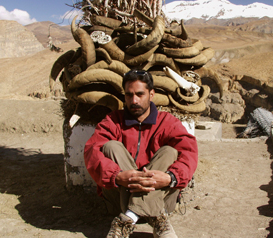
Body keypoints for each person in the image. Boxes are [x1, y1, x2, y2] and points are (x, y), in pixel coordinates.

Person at [84, 69, 198, 238]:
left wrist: (170, 177)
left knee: (170, 151)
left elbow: (189, 151)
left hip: (162, 201)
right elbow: (92, 151)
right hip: (119, 201)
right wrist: (117, 176)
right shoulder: (113, 121)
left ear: (151, 94)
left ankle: (128, 219)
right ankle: (156, 220)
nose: (134, 100)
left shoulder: (167, 122)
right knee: (111, 147)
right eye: (129, 95)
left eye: (139, 94)